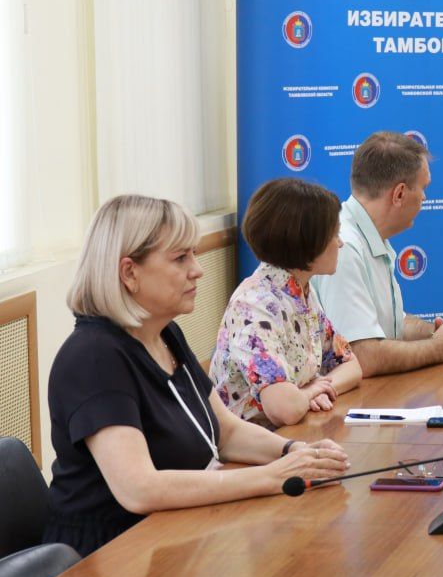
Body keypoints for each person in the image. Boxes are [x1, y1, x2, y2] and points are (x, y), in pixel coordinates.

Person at [44, 195, 349, 556]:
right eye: (180, 258)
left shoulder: (165, 334)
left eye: (194, 254)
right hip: (108, 557)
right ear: (129, 273)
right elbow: (139, 489)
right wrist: (271, 476)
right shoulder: (94, 357)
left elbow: (227, 432)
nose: (198, 270)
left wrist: (296, 452)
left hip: (174, 539)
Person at [312, 132, 443, 376]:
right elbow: (361, 356)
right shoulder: (343, 247)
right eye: (423, 188)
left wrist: (442, 333)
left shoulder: (368, 235)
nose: (424, 198)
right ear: (399, 194)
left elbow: (392, 324)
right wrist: (438, 348)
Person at [210, 179, 363, 427]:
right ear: (306, 241)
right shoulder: (254, 305)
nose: (340, 243)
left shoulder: (300, 291)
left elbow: (351, 366)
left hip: (292, 432)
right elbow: (284, 410)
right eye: (334, 234)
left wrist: (318, 390)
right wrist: (306, 395)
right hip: (249, 443)